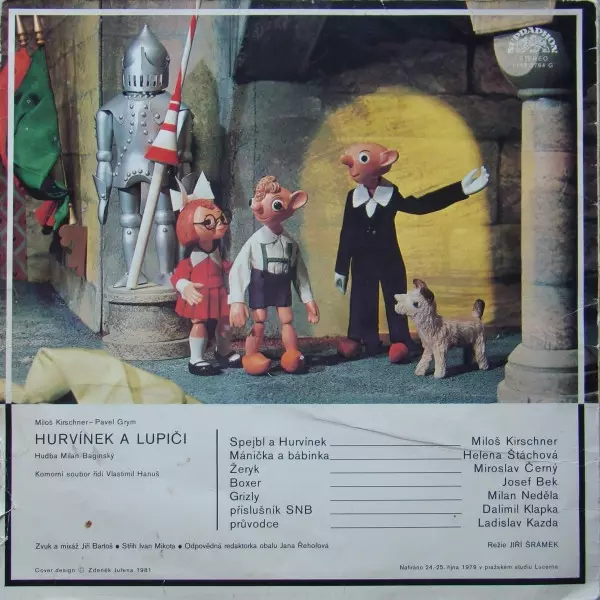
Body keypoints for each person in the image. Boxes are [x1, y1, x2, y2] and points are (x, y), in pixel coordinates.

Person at [335, 142, 489, 363]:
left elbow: (420, 206)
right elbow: (347, 232)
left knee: (395, 298)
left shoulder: (390, 194)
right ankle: (362, 338)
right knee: (361, 298)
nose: (351, 167)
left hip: (389, 259)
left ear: (385, 162)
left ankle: (400, 340)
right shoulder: (353, 197)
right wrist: (341, 269)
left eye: (362, 160)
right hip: (360, 261)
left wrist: (460, 190)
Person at [228, 176, 320, 375]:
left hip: (281, 283)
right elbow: (239, 268)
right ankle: (251, 354)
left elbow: (300, 274)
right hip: (260, 282)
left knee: (286, 318)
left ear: (292, 206)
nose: (257, 207)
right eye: (255, 201)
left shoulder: (290, 244)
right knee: (259, 319)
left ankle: (292, 352)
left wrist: (308, 300)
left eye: (275, 205)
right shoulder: (255, 242)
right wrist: (236, 300)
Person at [170, 173, 241, 376]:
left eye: (221, 218)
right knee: (198, 324)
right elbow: (176, 276)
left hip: (219, 294)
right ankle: (196, 359)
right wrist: (185, 286)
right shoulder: (192, 259)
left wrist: (240, 268)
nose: (221, 224)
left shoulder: (217, 252)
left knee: (225, 322)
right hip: (200, 296)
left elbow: (225, 267)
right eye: (209, 222)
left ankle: (223, 351)